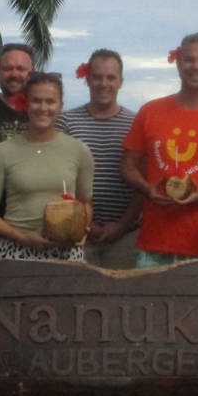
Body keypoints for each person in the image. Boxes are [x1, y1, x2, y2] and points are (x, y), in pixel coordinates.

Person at [120, 33, 198, 268]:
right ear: (178, 62)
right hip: (154, 244)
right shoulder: (150, 111)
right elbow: (128, 166)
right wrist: (148, 189)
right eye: (190, 60)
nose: (196, 67)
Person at [0, 72, 93, 262]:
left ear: (60, 106)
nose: (43, 108)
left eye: (50, 101)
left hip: (65, 252)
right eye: (36, 101)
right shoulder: (3, 152)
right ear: (26, 104)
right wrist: (22, 238)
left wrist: (81, 230)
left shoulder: (79, 150)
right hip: (15, 250)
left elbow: (85, 203)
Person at [57, 49, 141, 269]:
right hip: (77, 233)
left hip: (127, 235)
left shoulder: (136, 124)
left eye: (111, 77)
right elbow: (58, 178)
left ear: (121, 81)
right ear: (87, 79)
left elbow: (142, 181)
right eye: (97, 77)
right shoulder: (67, 122)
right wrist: (86, 222)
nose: (104, 84)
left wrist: (122, 226)